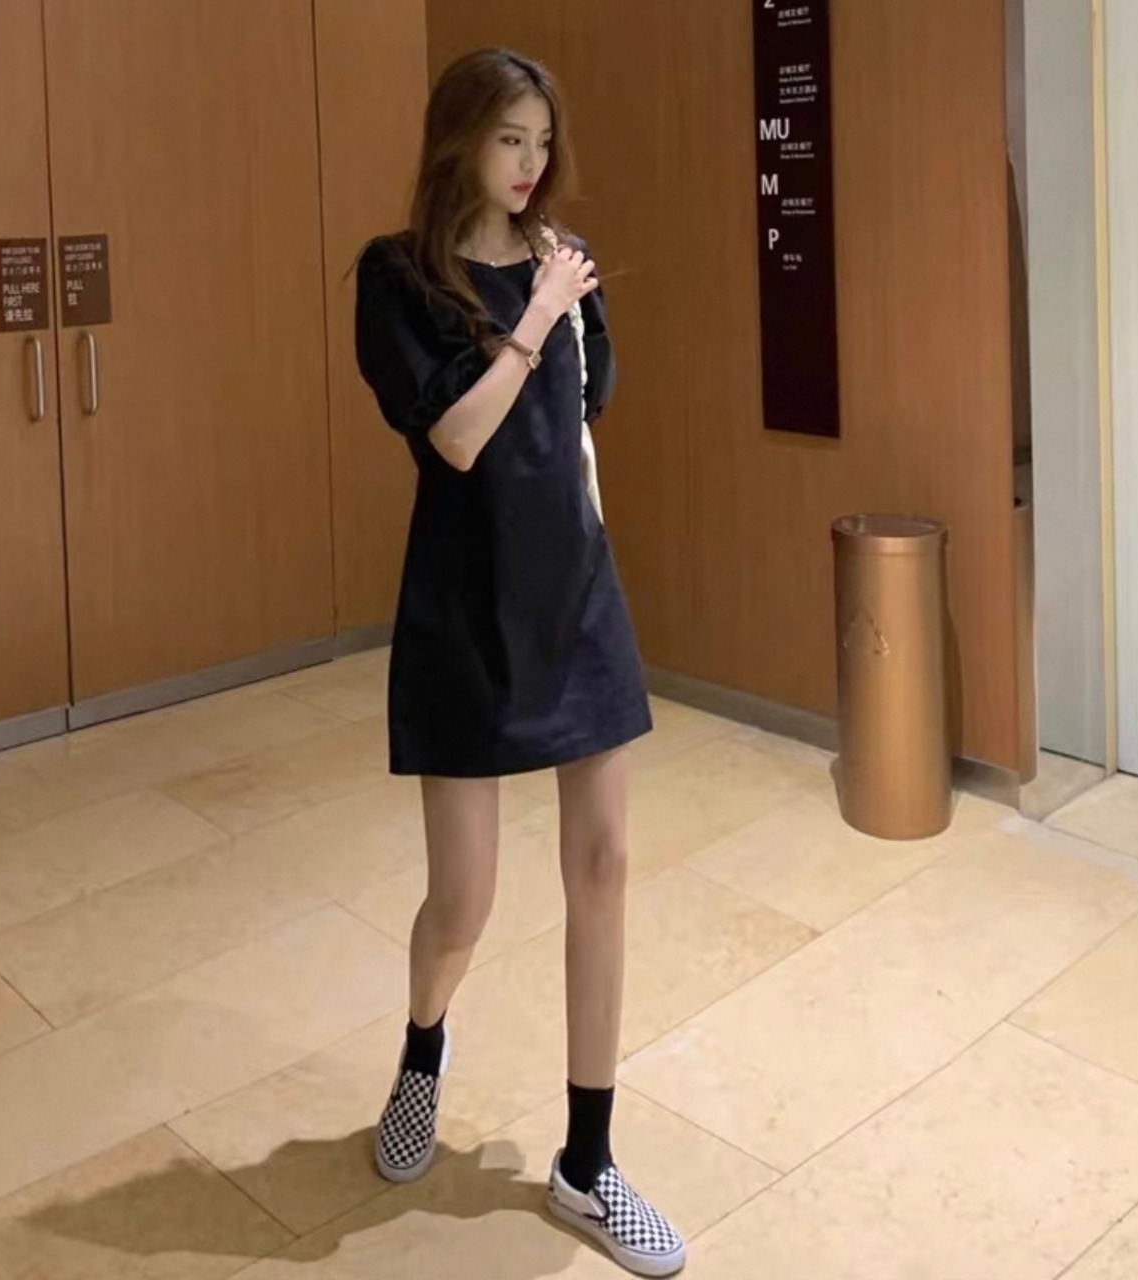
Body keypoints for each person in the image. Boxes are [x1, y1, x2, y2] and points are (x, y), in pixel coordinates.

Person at [354, 47, 685, 1278]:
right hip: (461, 610)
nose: (530, 164)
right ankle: (422, 1046)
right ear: (456, 140)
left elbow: (580, 419)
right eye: (508, 138)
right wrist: (536, 317)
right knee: (466, 899)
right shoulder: (398, 274)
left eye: (541, 141)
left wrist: (560, 301)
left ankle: (587, 1161)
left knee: (602, 865)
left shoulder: (565, 263)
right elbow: (455, 435)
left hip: (575, 596)